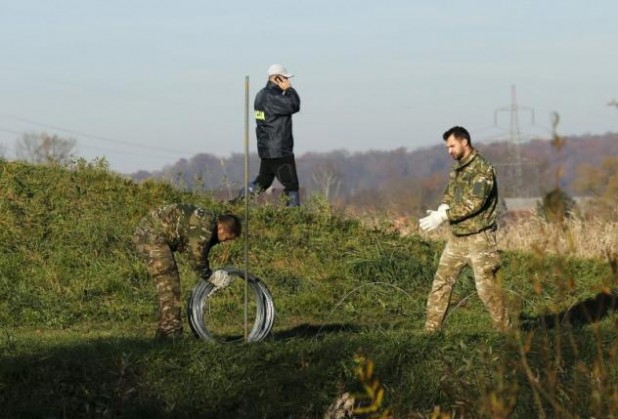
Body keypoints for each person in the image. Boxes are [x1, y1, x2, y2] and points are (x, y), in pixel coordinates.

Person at [419, 126, 509, 332]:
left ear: (464, 142)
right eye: (447, 147)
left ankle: (507, 332)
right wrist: (442, 208)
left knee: (487, 290)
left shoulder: (482, 168)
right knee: (441, 284)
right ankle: (430, 332)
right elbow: (450, 194)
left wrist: (444, 216)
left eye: (452, 145)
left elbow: (474, 203)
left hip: (480, 239)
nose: (449, 151)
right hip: (457, 238)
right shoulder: (458, 169)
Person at [133, 203, 241, 339]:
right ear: (221, 228)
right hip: (152, 236)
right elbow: (197, 258)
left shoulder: (208, 222)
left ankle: (165, 332)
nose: (226, 241)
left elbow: (195, 251)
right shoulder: (206, 226)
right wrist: (211, 276)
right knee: (169, 285)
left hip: (152, 233)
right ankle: (170, 334)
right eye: (227, 237)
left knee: (170, 284)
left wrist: (207, 272)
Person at [233, 63, 302, 206]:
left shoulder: (260, 95)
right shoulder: (273, 97)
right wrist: (289, 89)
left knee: (263, 182)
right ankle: (295, 219)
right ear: (277, 78)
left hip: (266, 149)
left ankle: (237, 203)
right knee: (292, 186)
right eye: (285, 78)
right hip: (280, 150)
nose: (288, 81)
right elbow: (294, 105)